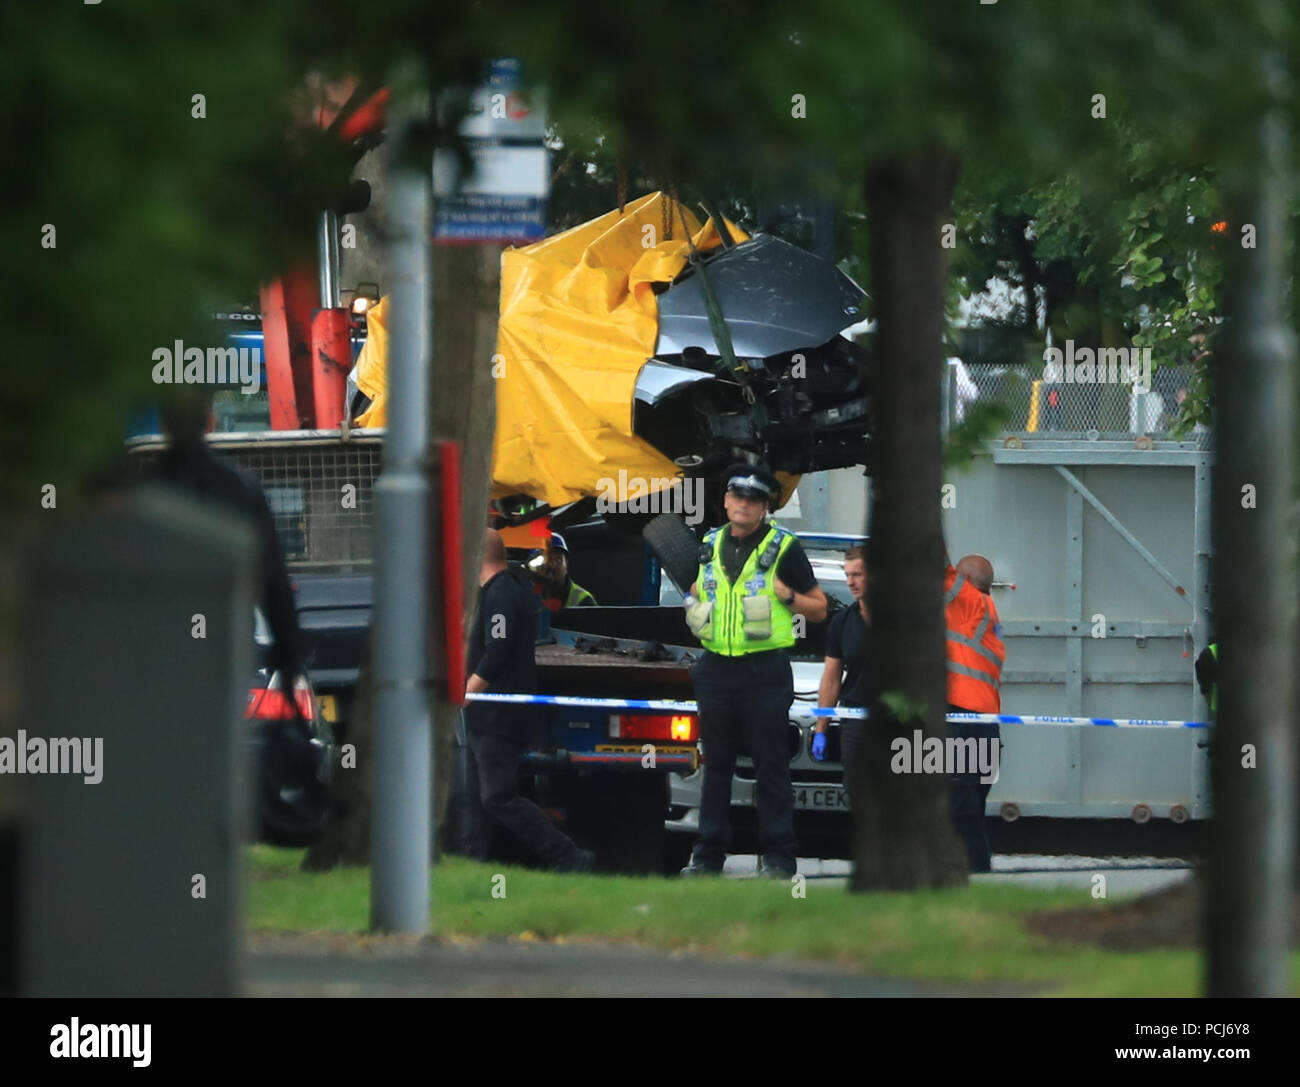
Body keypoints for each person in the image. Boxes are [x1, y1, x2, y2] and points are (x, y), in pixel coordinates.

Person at [680, 464, 828, 879]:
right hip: (716, 669)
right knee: (716, 766)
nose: (744, 505)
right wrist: (695, 608)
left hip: (764, 671)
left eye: (754, 500)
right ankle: (707, 857)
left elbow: (818, 609)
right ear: (726, 501)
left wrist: (789, 596)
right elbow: (696, 590)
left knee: (770, 767)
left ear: (765, 508)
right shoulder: (708, 544)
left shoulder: (784, 548)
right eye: (737, 497)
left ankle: (778, 858)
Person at [462, 528, 594, 872]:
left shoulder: (502, 594)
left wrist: (469, 690)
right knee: (475, 800)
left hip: (499, 715)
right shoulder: (492, 592)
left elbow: (498, 647)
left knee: (497, 797)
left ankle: (567, 856)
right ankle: (471, 864)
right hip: (484, 716)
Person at [944, 553, 1006, 872]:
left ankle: (976, 880)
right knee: (968, 810)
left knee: (961, 812)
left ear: (965, 585)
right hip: (983, 729)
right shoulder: (987, 618)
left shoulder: (971, 605)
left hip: (964, 725)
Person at [813, 546, 872, 811]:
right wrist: (821, 728)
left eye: (858, 574)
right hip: (855, 720)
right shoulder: (842, 623)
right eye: (847, 574)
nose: (851, 582)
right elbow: (832, 677)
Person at [528, 532, 598, 611]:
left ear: (566, 564)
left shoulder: (583, 600)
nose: (551, 565)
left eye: (558, 559)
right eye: (545, 560)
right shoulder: (525, 595)